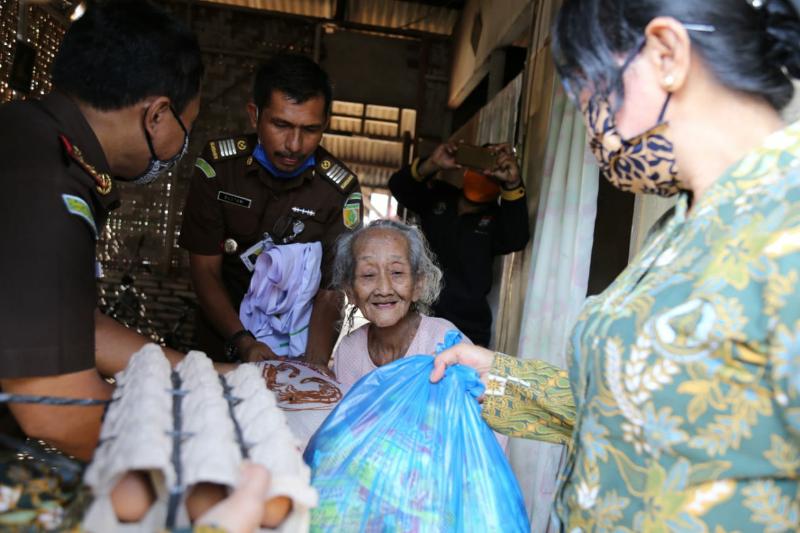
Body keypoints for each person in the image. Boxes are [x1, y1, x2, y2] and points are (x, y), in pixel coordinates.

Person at [432, 0, 800, 530]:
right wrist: (501, 377)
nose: (591, 131)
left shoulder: (785, 220)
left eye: (590, 95)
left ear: (667, 54)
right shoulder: (678, 227)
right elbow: (640, 413)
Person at [179, 54, 362, 367]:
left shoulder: (338, 191)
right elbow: (204, 269)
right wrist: (243, 342)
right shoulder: (219, 168)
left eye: (310, 129)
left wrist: (310, 369)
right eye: (281, 125)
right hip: (221, 343)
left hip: (296, 351)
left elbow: (331, 292)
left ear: (325, 125)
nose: (294, 144)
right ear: (255, 115)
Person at [388, 142, 529, 347]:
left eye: (491, 170)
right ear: (466, 169)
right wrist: (433, 163)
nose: (484, 174)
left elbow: (517, 238)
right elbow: (399, 186)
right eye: (479, 166)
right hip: (418, 316)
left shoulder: (497, 220)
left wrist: (513, 183)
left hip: (466, 328)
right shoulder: (439, 196)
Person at [330, 219, 468, 389]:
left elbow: (493, 398)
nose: (384, 289)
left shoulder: (444, 340)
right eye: (368, 274)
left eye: (396, 272)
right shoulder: (349, 349)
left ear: (418, 284)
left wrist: (494, 372)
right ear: (350, 291)